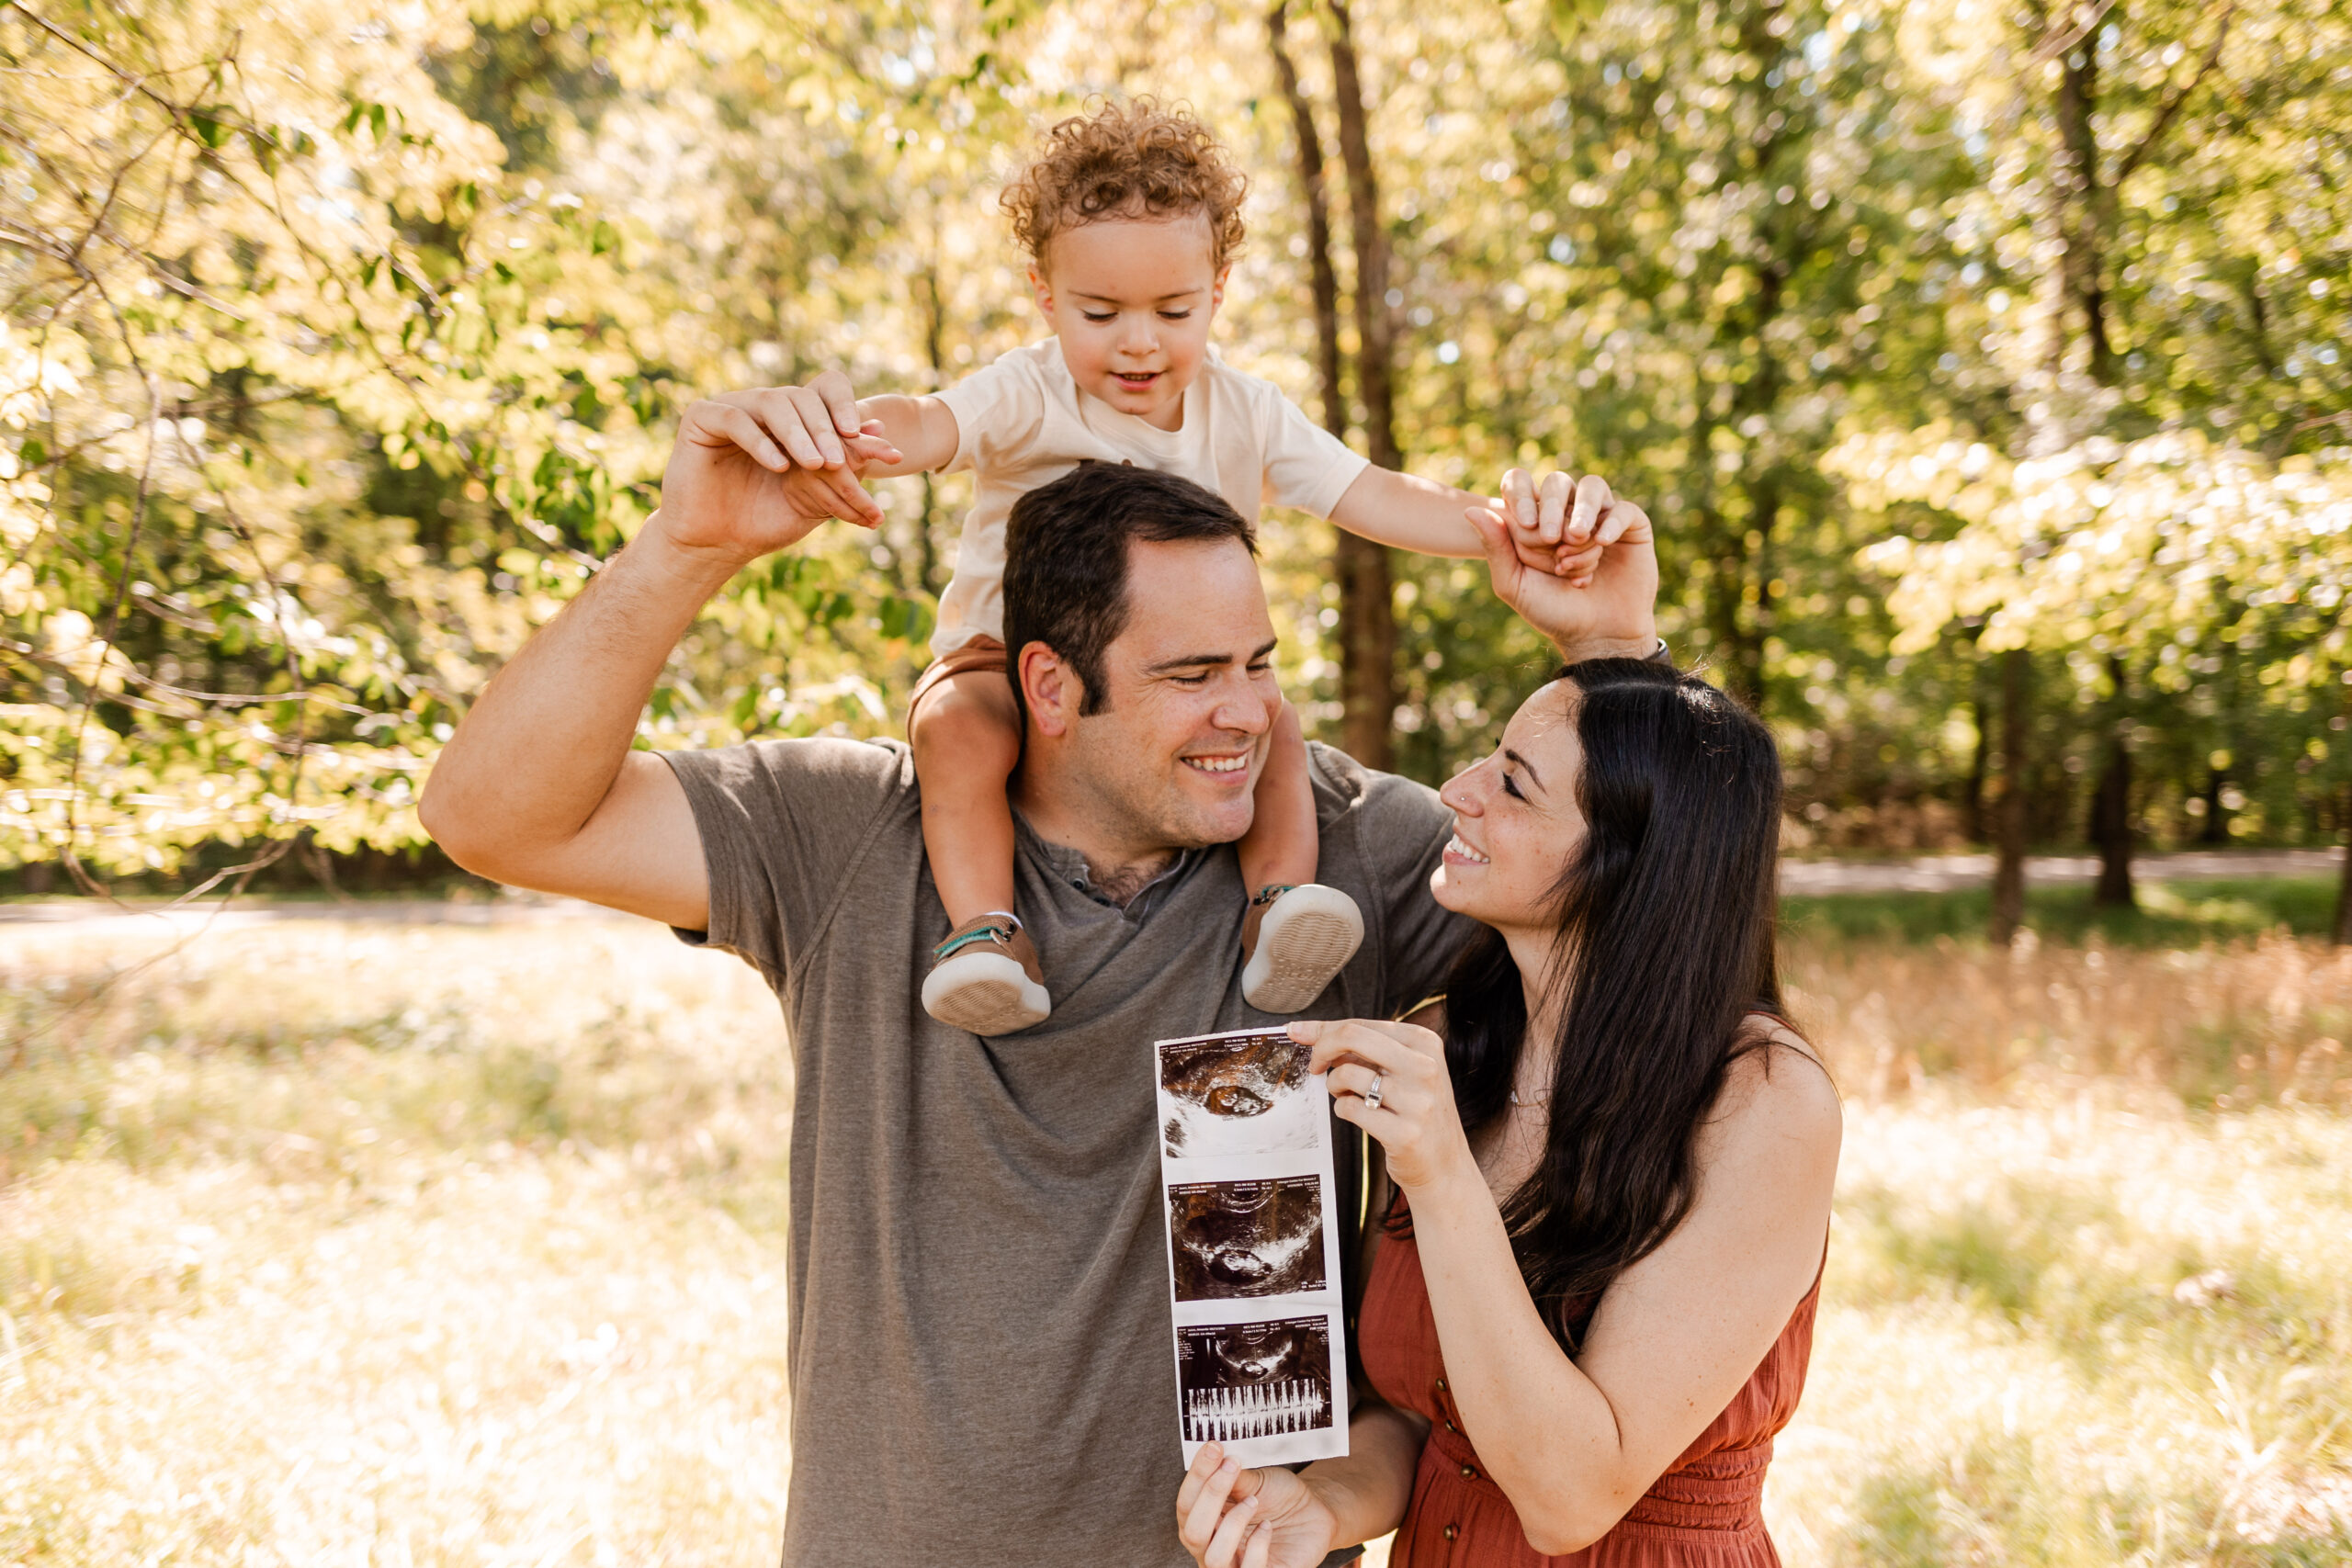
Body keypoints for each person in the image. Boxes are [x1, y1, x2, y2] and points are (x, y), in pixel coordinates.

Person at [419, 408, 1659, 1564]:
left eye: (1260, 663)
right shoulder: (855, 834)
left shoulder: (1352, 851)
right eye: (1191, 675)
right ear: (1053, 687)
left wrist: (1612, 649)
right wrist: (682, 548)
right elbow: (494, 817)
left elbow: (1665, 940)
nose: (1249, 715)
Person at [743, 98, 1598, 1036]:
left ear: (1218, 290)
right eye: (1099, 312)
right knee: (955, 733)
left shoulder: (1246, 412)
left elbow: (1367, 493)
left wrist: (1497, 528)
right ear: (1043, 295)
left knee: (1270, 727)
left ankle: (1278, 909)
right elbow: (929, 421)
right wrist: (846, 433)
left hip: (1179, 689)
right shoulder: (1028, 391)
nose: (1138, 342)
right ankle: (987, 935)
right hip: (1002, 657)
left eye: (1173, 310)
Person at [1172, 656, 1841, 1567]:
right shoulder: (1454, 1043)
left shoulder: (1761, 1101)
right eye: (1488, 759)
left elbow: (1570, 1499)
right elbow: (1420, 1414)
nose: (1458, 790)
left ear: (1627, 862)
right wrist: (1320, 1508)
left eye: (1513, 786)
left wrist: (1443, 1175)